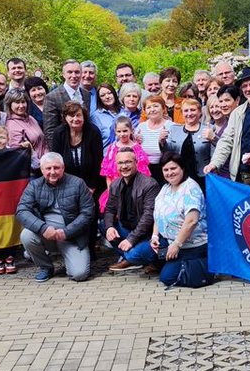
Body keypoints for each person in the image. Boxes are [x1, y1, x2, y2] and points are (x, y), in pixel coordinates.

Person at [16, 152, 95, 283]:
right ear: (41, 170)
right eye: (48, 168)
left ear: (63, 168)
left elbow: (88, 213)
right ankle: (45, 267)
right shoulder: (34, 185)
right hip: (46, 235)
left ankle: (69, 259)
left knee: (79, 274)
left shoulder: (78, 183)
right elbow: (22, 211)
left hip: (72, 237)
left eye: (56, 168)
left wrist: (67, 232)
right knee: (26, 235)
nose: (52, 172)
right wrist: (42, 228)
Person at [144, 152, 211, 288]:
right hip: (169, 242)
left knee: (167, 277)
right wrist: (155, 236)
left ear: (182, 168)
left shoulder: (191, 188)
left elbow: (191, 221)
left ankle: (204, 266)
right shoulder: (165, 188)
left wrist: (177, 244)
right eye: (166, 170)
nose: (170, 173)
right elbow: (158, 214)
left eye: (173, 168)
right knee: (143, 252)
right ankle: (174, 262)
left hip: (192, 244)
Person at [205, 67, 250, 183]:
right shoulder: (237, 113)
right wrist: (214, 163)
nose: (249, 88)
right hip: (240, 176)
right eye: (244, 86)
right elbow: (226, 140)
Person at [103, 148, 160, 272]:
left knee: (134, 254)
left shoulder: (149, 184)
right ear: (116, 165)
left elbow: (148, 216)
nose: (124, 166)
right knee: (104, 225)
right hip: (127, 229)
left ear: (136, 163)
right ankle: (132, 258)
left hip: (146, 234)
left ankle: (139, 259)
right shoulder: (115, 184)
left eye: (128, 162)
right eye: (120, 163)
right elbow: (109, 209)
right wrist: (109, 227)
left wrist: (131, 239)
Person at [51, 101, 105, 205]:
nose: (75, 119)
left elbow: (98, 162)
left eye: (78, 115)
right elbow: (56, 161)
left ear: (84, 116)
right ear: (65, 118)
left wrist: (91, 187)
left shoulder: (93, 131)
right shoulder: (59, 133)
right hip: (66, 185)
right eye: (71, 115)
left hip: (92, 184)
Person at [100, 116, 151, 211]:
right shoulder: (112, 148)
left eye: (125, 131)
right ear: (115, 131)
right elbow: (108, 174)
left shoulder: (136, 148)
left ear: (131, 130)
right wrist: (111, 191)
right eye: (119, 131)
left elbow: (143, 173)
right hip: (116, 188)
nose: (122, 134)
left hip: (134, 189)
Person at [165, 97, 215, 190]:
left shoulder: (209, 128)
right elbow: (167, 152)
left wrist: (214, 138)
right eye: (186, 111)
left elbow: (216, 152)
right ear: (182, 113)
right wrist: (161, 141)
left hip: (203, 176)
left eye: (193, 110)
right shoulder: (174, 129)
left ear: (200, 112)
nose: (189, 113)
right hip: (180, 176)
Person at [43, 60, 91, 144]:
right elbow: (50, 131)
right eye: (70, 72)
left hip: (85, 145)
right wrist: (57, 154)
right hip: (64, 146)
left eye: (77, 72)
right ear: (63, 74)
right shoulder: (52, 97)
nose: (74, 75)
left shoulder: (86, 94)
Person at [4, 89, 47, 171]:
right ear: (9, 104)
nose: (21, 105)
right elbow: (19, 154)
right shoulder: (11, 125)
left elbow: (43, 142)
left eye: (23, 102)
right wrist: (40, 165)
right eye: (17, 102)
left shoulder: (30, 118)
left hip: (45, 164)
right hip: (33, 170)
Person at [138, 96, 171, 178]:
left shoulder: (171, 126)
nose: (152, 109)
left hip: (165, 168)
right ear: (145, 111)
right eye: (148, 107)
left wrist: (163, 142)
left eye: (156, 106)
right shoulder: (140, 127)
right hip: (145, 169)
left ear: (163, 109)